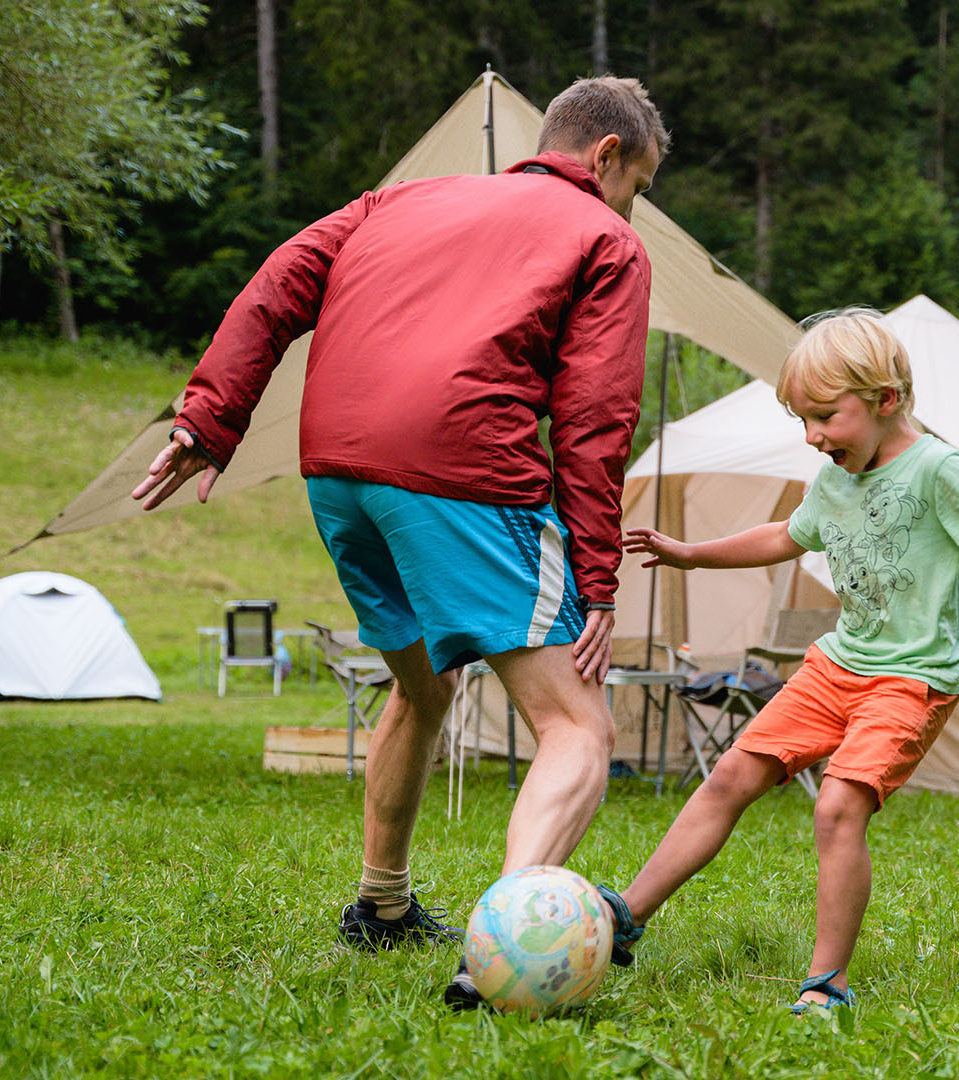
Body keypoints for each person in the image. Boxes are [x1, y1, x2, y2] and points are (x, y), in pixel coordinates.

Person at [128, 77, 669, 1008]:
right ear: (607, 156)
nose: (633, 209)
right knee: (578, 725)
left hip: (338, 470)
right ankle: (504, 948)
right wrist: (598, 579)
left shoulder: (398, 200)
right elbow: (595, 418)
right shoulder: (605, 237)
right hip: (461, 469)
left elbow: (276, 286)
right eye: (639, 188)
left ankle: (381, 905)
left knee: (423, 684)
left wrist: (210, 418)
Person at [601, 309, 959, 1012]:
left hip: (911, 679)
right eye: (802, 420)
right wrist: (692, 554)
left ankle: (827, 982)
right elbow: (785, 535)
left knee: (837, 807)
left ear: (885, 399)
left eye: (826, 418)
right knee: (729, 777)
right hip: (837, 667)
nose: (812, 436)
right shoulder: (834, 480)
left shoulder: (938, 468)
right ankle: (628, 916)